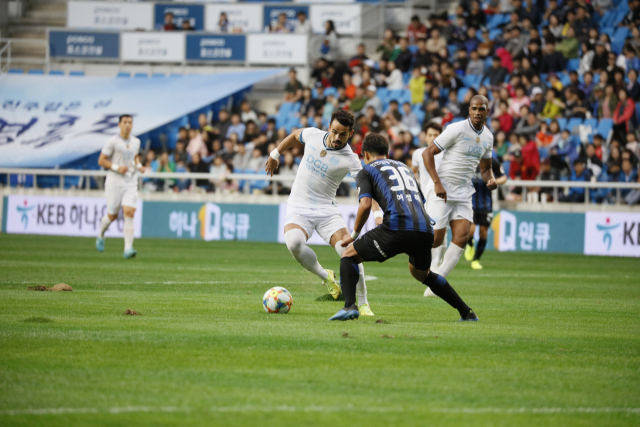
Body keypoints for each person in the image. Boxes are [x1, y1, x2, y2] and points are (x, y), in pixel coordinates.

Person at [329, 134, 478, 322]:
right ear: (388, 153)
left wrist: (354, 234)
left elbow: (365, 204)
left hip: (396, 227)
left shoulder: (366, 171)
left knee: (348, 255)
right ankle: (467, 313)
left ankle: (350, 306)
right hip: (424, 228)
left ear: (365, 155)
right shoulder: (405, 168)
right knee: (421, 273)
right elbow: (420, 201)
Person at [264, 109, 383, 316]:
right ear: (329, 127)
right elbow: (294, 136)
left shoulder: (351, 160)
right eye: (335, 132)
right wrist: (275, 154)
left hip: (327, 211)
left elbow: (366, 189)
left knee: (352, 252)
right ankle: (325, 276)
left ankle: (363, 305)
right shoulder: (312, 135)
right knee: (293, 243)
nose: (337, 138)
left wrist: (377, 212)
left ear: (350, 134)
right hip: (299, 206)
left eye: (343, 134)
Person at [421, 96, 497, 295]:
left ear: (487, 111)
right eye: (474, 108)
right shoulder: (457, 129)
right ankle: (409, 248)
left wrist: (491, 179)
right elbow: (427, 153)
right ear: (469, 110)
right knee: (435, 240)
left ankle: (437, 282)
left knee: (462, 237)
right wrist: (437, 182)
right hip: (443, 189)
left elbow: (486, 168)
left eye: (482, 109)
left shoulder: (488, 137)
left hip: (464, 192)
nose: (477, 112)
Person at [95, 115, 146, 258]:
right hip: (114, 182)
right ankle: (100, 234)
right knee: (112, 216)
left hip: (130, 181)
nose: (128, 125)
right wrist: (117, 167)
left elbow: (135, 156)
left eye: (130, 122)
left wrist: (139, 166)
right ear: (119, 124)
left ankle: (128, 249)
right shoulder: (112, 141)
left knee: (129, 212)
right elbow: (101, 160)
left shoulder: (136, 141)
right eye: (125, 122)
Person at [464, 158, 507, 269]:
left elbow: (504, 177)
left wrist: (495, 181)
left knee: (483, 233)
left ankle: (476, 260)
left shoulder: (493, 162)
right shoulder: (468, 160)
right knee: (471, 231)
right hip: (470, 204)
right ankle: (470, 244)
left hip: (486, 205)